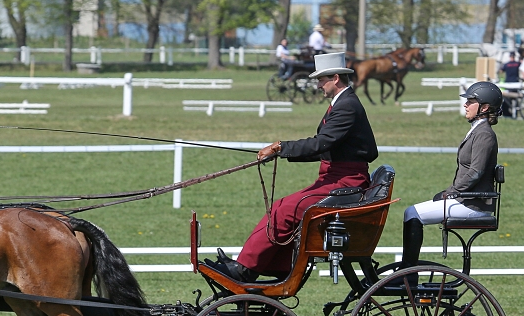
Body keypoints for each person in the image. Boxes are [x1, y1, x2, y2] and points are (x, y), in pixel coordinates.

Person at [212, 52, 378, 282]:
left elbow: (321, 143)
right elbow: (326, 147)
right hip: (336, 178)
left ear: (336, 78)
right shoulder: (342, 103)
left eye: (321, 80)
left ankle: (246, 270)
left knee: (285, 210)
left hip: (345, 182)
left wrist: (280, 147)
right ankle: (271, 267)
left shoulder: (346, 106)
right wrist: (282, 153)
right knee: (282, 206)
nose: (318, 85)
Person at [398, 81, 503, 273]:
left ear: (485, 107)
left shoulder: (485, 135)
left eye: (470, 101)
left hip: (473, 205)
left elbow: (475, 172)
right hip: (467, 200)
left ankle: (408, 272)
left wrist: (451, 193)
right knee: (411, 212)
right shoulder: (477, 130)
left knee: (412, 213)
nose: (465, 104)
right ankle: (408, 269)